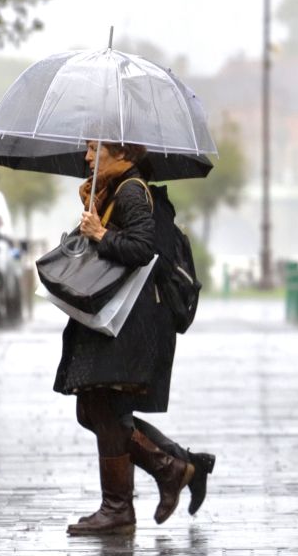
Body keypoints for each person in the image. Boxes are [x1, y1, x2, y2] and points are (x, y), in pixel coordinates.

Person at [54, 140, 215, 535]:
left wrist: (100, 233)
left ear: (123, 153)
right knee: (93, 410)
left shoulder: (130, 190)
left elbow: (144, 249)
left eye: (95, 149)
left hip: (128, 322)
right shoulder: (112, 191)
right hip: (116, 320)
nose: (87, 157)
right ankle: (175, 467)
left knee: (104, 410)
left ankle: (120, 508)